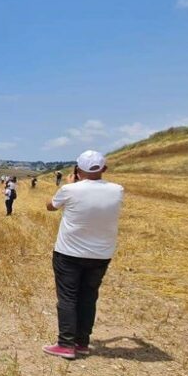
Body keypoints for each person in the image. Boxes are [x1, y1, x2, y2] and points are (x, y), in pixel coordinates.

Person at [43, 151, 124, 360]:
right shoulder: (117, 190)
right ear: (104, 169)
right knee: (89, 297)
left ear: (78, 170)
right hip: (101, 254)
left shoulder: (69, 189)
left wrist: (69, 185)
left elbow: (50, 206)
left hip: (69, 252)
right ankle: (82, 343)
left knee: (68, 297)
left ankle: (66, 343)